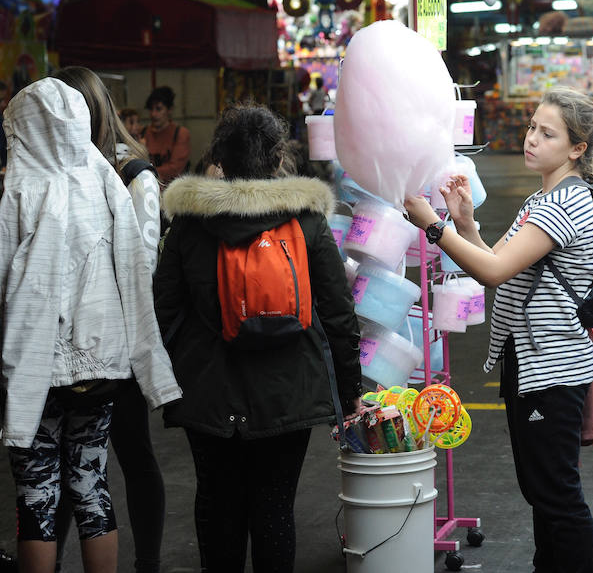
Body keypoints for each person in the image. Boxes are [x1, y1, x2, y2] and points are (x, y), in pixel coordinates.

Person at [405, 86, 593, 573]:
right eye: (532, 127)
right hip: (534, 363)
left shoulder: (564, 203)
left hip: (551, 366)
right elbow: (496, 261)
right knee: (544, 491)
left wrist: (435, 228)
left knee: (556, 495)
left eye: (547, 132)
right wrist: (465, 226)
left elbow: (493, 273)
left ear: (578, 148)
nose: (531, 139)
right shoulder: (547, 198)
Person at [153, 103, 362, 573]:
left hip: (207, 393)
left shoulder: (190, 222)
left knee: (216, 504)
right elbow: (337, 312)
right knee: (273, 507)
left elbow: (164, 307)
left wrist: (171, 378)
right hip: (288, 391)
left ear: (219, 160)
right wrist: (348, 392)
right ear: (277, 158)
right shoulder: (306, 219)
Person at [0, 77, 181, 573]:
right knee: (90, 481)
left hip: (37, 363)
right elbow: (133, 268)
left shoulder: (17, 187)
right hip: (102, 364)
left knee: (38, 493)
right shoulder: (103, 178)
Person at [51, 65, 166, 573]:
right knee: (55, 468)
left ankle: (147, 562)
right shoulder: (50, 167)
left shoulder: (132, 173)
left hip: (117, 344)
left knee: (130, 455)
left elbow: (143, 269)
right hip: (58, 345)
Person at [142, 86, 191, 185]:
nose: (153, 114)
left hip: (172, 190)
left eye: (158, 109)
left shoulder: (180, 133)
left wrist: (145, 171)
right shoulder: (142, 132)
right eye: (151, 109)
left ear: (170, 110)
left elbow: (175, 169)